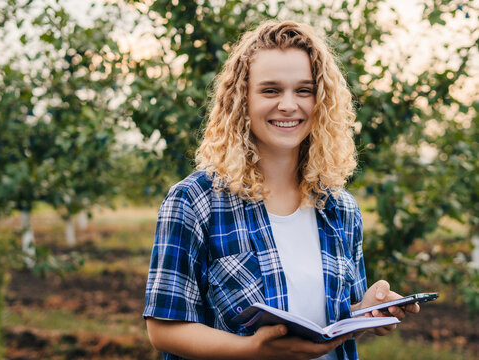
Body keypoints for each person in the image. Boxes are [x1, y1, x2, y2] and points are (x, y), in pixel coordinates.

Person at [143, 20, 420, 360]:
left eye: (303, 90)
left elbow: (334, 322)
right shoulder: (194, 201)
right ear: (241, 100)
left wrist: (369, 310)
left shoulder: (340, 209)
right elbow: (162, 329)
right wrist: (251, 350)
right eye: (271, 90)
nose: (289, 105)